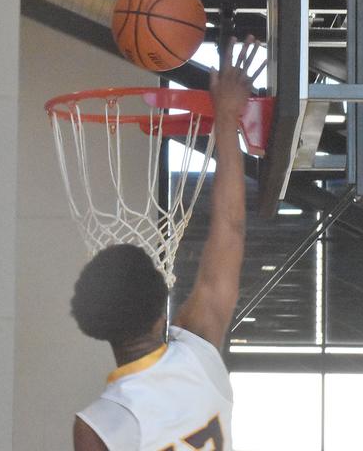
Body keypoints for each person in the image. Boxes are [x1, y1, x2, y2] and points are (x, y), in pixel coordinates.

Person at [70, 36, 257, 451]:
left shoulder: (98, 424)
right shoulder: (200, 353)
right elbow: (231, 226)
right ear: (161, 311)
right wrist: (227, 115)